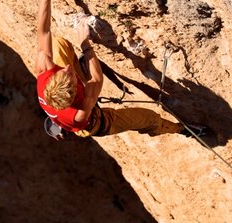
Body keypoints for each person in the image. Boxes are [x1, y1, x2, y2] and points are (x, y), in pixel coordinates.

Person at [35, 0, 195, 140]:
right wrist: (85, 45)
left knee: (57, 45)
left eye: (63, 72)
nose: (68, 68)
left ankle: (81, 70)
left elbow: (43, 30)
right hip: (98, 122)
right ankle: (180, 129)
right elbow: (96, 80)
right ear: (75, 92)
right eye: (70, 75)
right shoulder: (80, 115)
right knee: (148, 119)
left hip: (71, 93)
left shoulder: (43, 72)